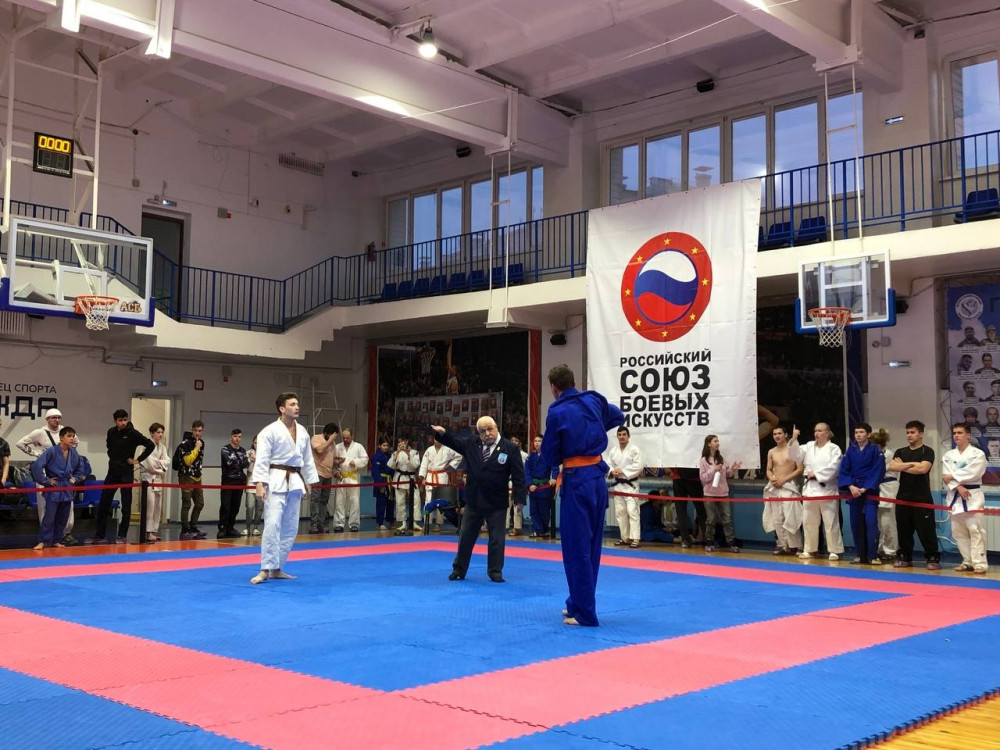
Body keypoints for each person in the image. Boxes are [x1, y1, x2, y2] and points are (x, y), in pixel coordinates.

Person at [541, 364, 624, 627]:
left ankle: (586, 613)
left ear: (553, 388)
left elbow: (549, 456)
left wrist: (572, 444)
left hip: (577, 481)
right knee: (591, 547)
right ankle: (577, 603)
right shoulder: (594, 400)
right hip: (598, 479)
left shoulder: (557, 411)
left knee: (576, 549)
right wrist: (594, 429)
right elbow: (618, 415)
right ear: (573, 381)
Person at [434, 415, 524, 583]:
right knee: (466, 537)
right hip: (474, 500)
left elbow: (519, 476)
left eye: (490, 429)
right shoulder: (472, 443)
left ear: (496, 428)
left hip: (497, 501)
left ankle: (495, 571)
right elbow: (454, 442)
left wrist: (519, 499)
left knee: (497, 539)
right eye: (482, 431)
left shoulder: (510, 448)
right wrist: (443, 434)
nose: (487, 433)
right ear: (478, 433)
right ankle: (459, 569)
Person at [250, 392, 318, 584]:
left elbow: (307, 459)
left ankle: (277, 568)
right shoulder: (269, 431)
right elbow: (262, 459)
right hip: (275, 480)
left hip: (295, 481)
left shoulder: (302, 431)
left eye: (297, 404)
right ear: (282, 408)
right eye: (292, 404)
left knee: (290, 527)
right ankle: (265, 568)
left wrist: (308, 482)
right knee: (272, 525)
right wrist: (259, 483)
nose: (297, 407)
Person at [87, 410, 154, 545]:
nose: (123, 423)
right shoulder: (111, 432)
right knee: (104, 504)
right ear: (115, 421)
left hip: (126, 473)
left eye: (125, 420)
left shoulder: (133, 433)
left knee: (126, 506)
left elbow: (150, 445)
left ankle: (122, 535)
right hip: (112, 472)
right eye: (120, 420)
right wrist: (114, 459)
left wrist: (137, 460)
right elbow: (109, 447)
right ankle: (100, 535)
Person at [16, 408, 80, 545]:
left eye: (59, 417)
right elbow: (20, 443)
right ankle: (44, 539)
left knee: (66, 513)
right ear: (47, 419)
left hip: (65, 482)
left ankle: (62, 536)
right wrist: (37, 453)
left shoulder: (66, 431)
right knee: (47, 512)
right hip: (49, 477)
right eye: (53, 417)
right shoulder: (40, 432)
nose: (57, 420)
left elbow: (77, 447)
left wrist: (76, 478)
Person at [890, 420, 939, 570]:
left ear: (921, 434)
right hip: (903, 497)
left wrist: (903, 466)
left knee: (926, 530)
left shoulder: (927, 451)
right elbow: (892, 466)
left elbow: (923, 469)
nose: (909, 435)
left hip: (922, 497)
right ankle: (904, 556)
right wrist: (912, 465)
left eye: (912, 432)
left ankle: (932, 556)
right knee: (903, 529)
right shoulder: (900, 452)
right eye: (907, 432)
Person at [942, 422, 989, 574]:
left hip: (972, 495)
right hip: (955, 495)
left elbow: (974, 472)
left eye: (960, 432)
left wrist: (953, 477)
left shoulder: (978, 454)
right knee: (958, 532)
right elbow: (945, 476)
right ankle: (967, 561)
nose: (956, 435)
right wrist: (958, 486)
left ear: (968, 435)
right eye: (954, 433)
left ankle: (979, 563)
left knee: (976, 531)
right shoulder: (948, 455)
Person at [30, 426, 87, 550]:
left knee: (63, 517)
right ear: (61, 438)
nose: (72, 439)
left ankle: (57, 539)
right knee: (49, 517)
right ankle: (43, 541)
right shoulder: (51, 451)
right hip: (54, 487)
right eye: (69, 436)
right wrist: (46, 481)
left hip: (67, 487)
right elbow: (37, 466)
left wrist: (75, 479)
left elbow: (80, 469)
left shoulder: (74, 453)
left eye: (73, 436)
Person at [838, 422, 884, 565]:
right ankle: (860, 555)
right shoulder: (850, 450)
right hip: (854, 491)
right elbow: (844, 470)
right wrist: (851, 486)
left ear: (868, 434)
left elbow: (878, 470)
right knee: (856, 524)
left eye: (861, 432)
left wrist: (866, 487)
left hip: (869, 492)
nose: (858, 435)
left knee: (871, 523)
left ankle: (873, 555)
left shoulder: (876, 450)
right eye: (856, 432)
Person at [799, 422, 844, 560]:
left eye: (820, 431)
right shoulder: (808, 446)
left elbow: (834, 467)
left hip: (827, 489)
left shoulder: (834, 448)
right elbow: (795, 454)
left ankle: (834, 550)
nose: (816, 433)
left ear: (827, 433)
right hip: (810, 489)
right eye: (815, 431)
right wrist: (794, 439)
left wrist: (816, 474)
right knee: (809, 522)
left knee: (831, 522)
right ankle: (809, 549)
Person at [762, 424, 803, 555]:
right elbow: (768, 469)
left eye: (779, 433)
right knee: (777, 517)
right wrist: (772, 479)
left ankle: (797, 545)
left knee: (790, 516)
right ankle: (782, 544)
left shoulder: (792, 450)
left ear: (785, 435)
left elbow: (800, 469)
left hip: (788, 485)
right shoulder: (771, 451)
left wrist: (784, 479)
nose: (777, 436)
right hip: (775, 487)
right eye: (775, 434)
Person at [699, 435, 742, 553]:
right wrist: (714, 470)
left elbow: (727, 474)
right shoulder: (704, 460)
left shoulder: (721, 459)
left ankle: (731, 543)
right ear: (709, 444)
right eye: (715, 441)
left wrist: (733, 469)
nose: (717, 443)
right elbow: (703, 478)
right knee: (711, 520)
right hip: (709, 494)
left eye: (718, 441)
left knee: (727, 519)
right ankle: (709, 542)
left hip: (723, 493)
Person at [606, 426, 644, 549]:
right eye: (620, 435)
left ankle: (635, 539)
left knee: (632, 511)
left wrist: (622, 471)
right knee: (620, 512)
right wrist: (612, 471)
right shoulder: (613, 451)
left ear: (628, 436)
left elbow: (639, 466)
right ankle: (625, 538)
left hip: (630, 485)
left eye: (624, 434)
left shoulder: (635, 450)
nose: (622, 437)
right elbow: (608, 464)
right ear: (617, 436)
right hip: (618, 485)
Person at [418, 433, 461, 532]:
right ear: (433, 440)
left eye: (440, 439)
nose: (437, 441)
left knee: (441, 502)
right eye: (436, 439)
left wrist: (450, 465)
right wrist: (422, 477)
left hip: (441, 476)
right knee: (428, 501)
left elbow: (458, 456)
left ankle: (438, 524)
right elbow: (424, 464)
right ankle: (426, 523)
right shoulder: (429, 450)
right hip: (430, 477)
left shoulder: (447, 449)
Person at [173, 421, 207, 540]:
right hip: (186, 476)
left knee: (200, 503)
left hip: (197, 476)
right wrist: (196, 448)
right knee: (186, 503)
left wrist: (198, 446)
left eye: (200, 431)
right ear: (192, 430)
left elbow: (199, 460)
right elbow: (188, 461)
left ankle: (193, 526)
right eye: (195, 430)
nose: (197, 433)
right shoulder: (185, 444)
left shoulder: (202, 443)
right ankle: (185, 528)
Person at [139, 422, 171, 543]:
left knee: (157, 506)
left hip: (158, 479)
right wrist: (160, 464)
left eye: (162, 432)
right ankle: (147, 532)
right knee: (150, 506)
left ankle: (153, 531)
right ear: (152, 433)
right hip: (148, 479)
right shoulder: (146, 447)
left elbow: (167, 461)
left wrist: (160, 463)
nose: (160, 434)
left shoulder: (162, 447)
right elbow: (150, 465)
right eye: (158, 432)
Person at [871, 428, 898, 563]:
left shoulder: (888, 454)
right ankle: (880, 548)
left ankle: (891, 550)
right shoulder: (873, 454)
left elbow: (877, 470)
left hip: (887, 487)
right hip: (876, 487)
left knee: (887, 522)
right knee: (877, 523)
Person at [333, 428, 368, 532]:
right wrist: (336, 472)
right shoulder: (337, 447)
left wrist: (355, 462)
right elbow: (333, 462)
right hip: (341, 476)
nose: (345, 440)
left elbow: (365, 459)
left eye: (347, 438)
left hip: (353, 476)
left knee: (354, 501)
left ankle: (354, 524)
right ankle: (339, 524)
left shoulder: (358, 447)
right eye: (343, 438)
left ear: (352, 437)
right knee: (339, 501)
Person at [309, 423, 339, 533]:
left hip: (328, 474)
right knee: (315, 499)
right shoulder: (316, 438)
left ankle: (321, 523)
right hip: (317, 473)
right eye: (331, 435)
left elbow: (330, 458)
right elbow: (320, 450)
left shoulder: (332, 443)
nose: (332, 437)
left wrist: (337, 461)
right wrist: (330, 440)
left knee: (324, 500)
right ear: (326, 432)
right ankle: (313, 524)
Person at [525, 433, 556, 539]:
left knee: (544, 510)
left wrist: (554, 478)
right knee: (533, 510)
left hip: (544, 486)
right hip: (533, 487)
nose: (537, 443)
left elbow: (555, 467)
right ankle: (538, 530)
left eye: (539, 441)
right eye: (535, 441)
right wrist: (530, 484)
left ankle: (544, 530)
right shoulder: (530, 457)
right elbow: (527, 471)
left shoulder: (548, 455)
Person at [219, 429, 249, 539]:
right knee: (226, 505)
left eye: (239, 437)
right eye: (235, 436)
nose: (237, 439)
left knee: (235, 506)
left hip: (239, 481)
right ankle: (223, 527)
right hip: (228, 480)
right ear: (231, 437)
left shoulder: (243, 450)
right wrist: (238, 461)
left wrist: (238, 461)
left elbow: (245, 464)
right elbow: (228, 463)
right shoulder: (225, 449)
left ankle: (231, 527)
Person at [388, 437, 421, 530]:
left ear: (407, 441)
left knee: (416, 500)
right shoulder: (396, 453)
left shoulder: (414, 452)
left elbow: (415, 465)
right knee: (400, 501)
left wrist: (408, 454)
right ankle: (403, 523)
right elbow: (390, 465)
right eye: (399, 442)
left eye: (403, 441)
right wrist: (397, 453)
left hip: (411, 478)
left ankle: (414, 522)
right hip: (400, 478)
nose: (401, 443)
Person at [672, 466, 706, 548]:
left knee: (682, 511)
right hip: (691, 477)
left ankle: (685, 539)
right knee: (700, 510)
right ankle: (708, 539)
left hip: (680, 477)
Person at [505, 436, 530, 536]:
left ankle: (517, 528)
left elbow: (526, 470)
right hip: (508, 482)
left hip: (519, 482)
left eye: (516, 441)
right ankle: (505, 527)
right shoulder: (505, 453)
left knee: (518, 507)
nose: (514, 442)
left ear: (520, 443)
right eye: (512, 441)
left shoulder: (525, 455)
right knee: (506, 506)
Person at [241, 436, 263, 537]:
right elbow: (248, 469)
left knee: (259, 507)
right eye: (255, 443)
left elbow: (267, 467)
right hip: (250, 483)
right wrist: (251, 460)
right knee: (249, 506)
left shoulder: (266, 453)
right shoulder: (249, 452)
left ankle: (256, 527)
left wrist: (257, 459)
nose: (257, 445)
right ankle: (247, 527)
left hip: (262, 484)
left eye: (259, 443)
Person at [370, 439, 393, 529]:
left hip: (389, 480)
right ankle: (380, 523)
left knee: (390, 502)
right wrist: (380, 485)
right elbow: (375, 472)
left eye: (387, 446)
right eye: (384, 445)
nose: (386, 447)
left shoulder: (389, 455)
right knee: (381, 503)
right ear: (379, 446)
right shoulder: (377, 456)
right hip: (381, 480)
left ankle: (390, 521)